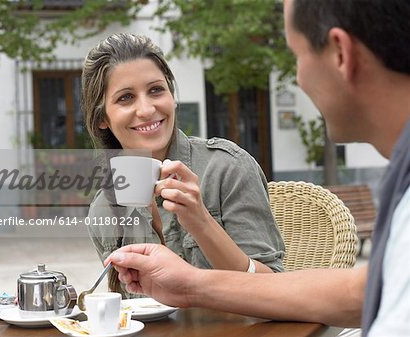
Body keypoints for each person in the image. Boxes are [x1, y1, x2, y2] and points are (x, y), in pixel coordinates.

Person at [107, 0, 410, 336]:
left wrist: (201, 230)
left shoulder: (226, 164)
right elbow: (362, 292)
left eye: (297, 54)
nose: (298, 78)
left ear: (341, 53)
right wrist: (190, 285)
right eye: (125, 98)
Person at [81, 33, 285, 296]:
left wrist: (200, 221)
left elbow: (273, 289)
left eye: (156, 90)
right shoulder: (104, 208)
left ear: (172, 96)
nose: (146, 109)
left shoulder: (227, 168)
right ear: (102, 119)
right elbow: (128, 313)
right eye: (125, 98)